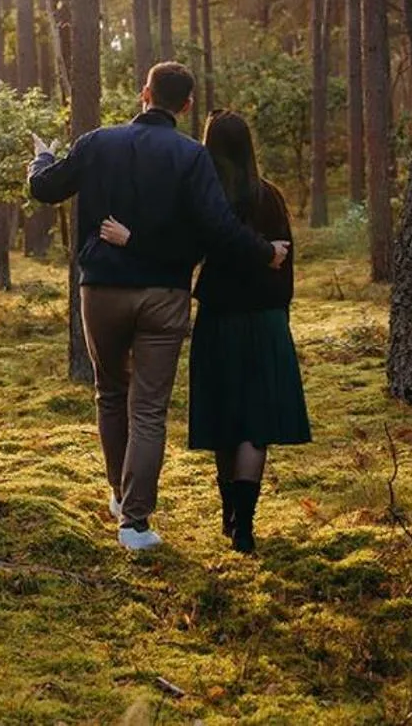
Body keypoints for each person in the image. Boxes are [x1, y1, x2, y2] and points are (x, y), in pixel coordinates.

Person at [28, 62, 289, 552]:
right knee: (148, 408)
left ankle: (117, 494)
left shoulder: (95, 142)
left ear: (144, 93)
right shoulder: (192, 156)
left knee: (109, 394)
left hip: (101, 288)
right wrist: (265, 252)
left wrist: (41, 159)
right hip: (164, 296)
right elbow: (218, 228)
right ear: (186, 105)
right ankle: (135, 523)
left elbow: (44, 188)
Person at [99, 109, 309, 554]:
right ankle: (245, 526)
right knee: (255, 424)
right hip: (266, 320)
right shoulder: (268, 196)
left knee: (225, 417)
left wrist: (131, 240)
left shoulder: (202, 197)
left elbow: (178, 251)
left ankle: (229, 515)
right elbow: (285, 263)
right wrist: (278, 313)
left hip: (219, 318)